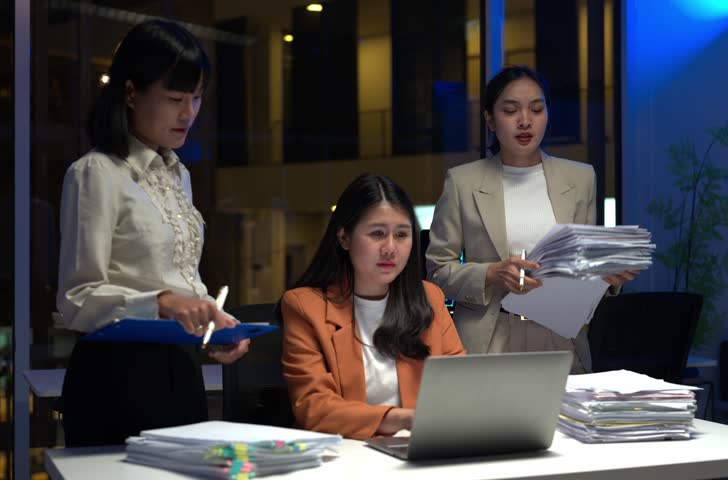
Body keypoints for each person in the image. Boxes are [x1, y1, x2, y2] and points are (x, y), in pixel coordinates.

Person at [57, 19, 249, 447]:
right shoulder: (96, 173)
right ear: (131, 93)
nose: (189, 113)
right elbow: (77, 299)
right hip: (115, 377)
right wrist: (162, 303)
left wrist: (214, 327)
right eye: (175, 98)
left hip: (180, 370)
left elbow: (182, 281)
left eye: (197, 97)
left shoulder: (178, 175)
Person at [425, 66, 636, 372]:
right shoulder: (462, 182)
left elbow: (580, 270)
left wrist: (605, 276)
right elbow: (437, 272)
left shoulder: (580, 179)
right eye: (511, 110)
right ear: (490, 120)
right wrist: (491, 273)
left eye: (536, 109)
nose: (525, 121)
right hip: (489, 339)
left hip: (559, 337)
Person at [281, 173, 465, 440]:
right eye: (377, 233)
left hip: (419, 448)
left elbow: (459, 387)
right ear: (344, 237)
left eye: (401, 235)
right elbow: (314, 407)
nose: (390, 248)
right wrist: (404, 419)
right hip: (345, 451)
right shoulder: (304, 306)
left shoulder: (429, 298)